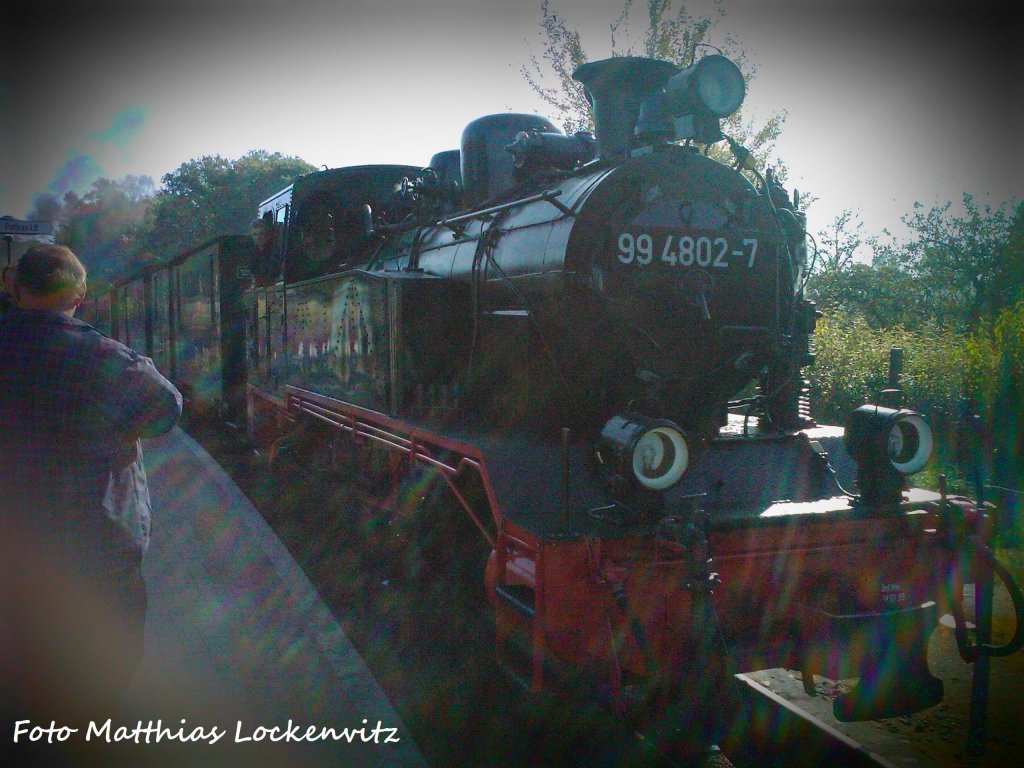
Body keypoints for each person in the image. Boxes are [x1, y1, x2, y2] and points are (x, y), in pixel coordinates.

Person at [0, 244, 182, 729]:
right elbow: (166, 411)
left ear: (13, 287)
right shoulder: (102, 357)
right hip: (99, 545)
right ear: (79, 292)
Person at [249, 216, 280, 286]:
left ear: (268, 234)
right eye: (255, 234)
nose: (258, 237)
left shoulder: (275, 252)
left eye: (261, 233)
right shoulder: (250, 254)